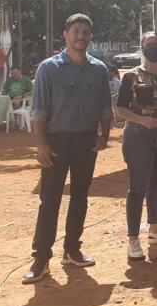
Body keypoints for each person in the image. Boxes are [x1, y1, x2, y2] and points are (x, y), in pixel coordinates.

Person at [23, 14, 113, 284]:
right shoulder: (48, 69)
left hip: (86, 141)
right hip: (56, 142)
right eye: (76, 31)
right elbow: (39, 110)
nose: (80, 36)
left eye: (85, 32)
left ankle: (72, 250)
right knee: (50, 200)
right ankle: (41, 259)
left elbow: (105, 106)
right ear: (66, 35)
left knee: (80, 197)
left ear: (90, 37)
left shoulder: (99, 69)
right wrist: (41, 144)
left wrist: (104, 136)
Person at [115, 32, 157, 261]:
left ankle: (155, 229)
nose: (153, 47)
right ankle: (133, 239)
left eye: (156, 43)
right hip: (139, 137)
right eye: (148, 43)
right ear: (142, 47)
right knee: (137, 188)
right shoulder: (131, 76)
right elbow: (121, 109)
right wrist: (143, 121)